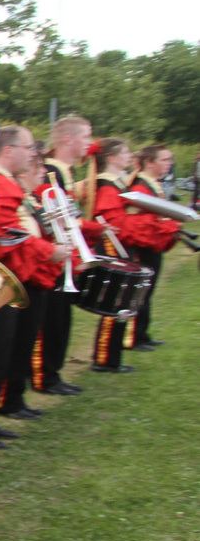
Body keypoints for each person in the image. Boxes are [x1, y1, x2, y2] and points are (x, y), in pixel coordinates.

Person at [0, 127, 68, 447]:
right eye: (28, 147)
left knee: (0, 353)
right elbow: (3, 234)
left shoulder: (2, 181)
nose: (33, 154)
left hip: (4, 277)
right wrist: (48, 251)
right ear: (8, 150)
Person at [32, 117, 99, 397]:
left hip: (62, 257)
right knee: (51, 321)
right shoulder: (51, 173)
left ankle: (52, 372)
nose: (90, 144)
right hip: (52, 259)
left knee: (60, 319)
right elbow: (52, 219)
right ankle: (45, 375)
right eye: (86, 137)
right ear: (68, 139)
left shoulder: (63, 172)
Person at [122, 145, 180, 351]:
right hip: (143, 245)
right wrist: (168, 226)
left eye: (169, 159)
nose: (169, 163)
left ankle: (142, 334)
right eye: (164, 160)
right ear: (149, 162)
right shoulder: (140, 186)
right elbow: (141, 221)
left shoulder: (152, 183)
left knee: (147, 291)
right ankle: (132, 337)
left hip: (153, 244)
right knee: (140, 292)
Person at [89, 139, 137, 373]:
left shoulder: (116, 181)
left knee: (123, 301)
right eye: (125, 152)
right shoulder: (107, 185)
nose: (130, 156)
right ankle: (105, 357)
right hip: (113, 246)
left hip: (121, 245)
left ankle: (111, 356)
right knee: (116, 299)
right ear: (111, 158)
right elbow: (114, 222)